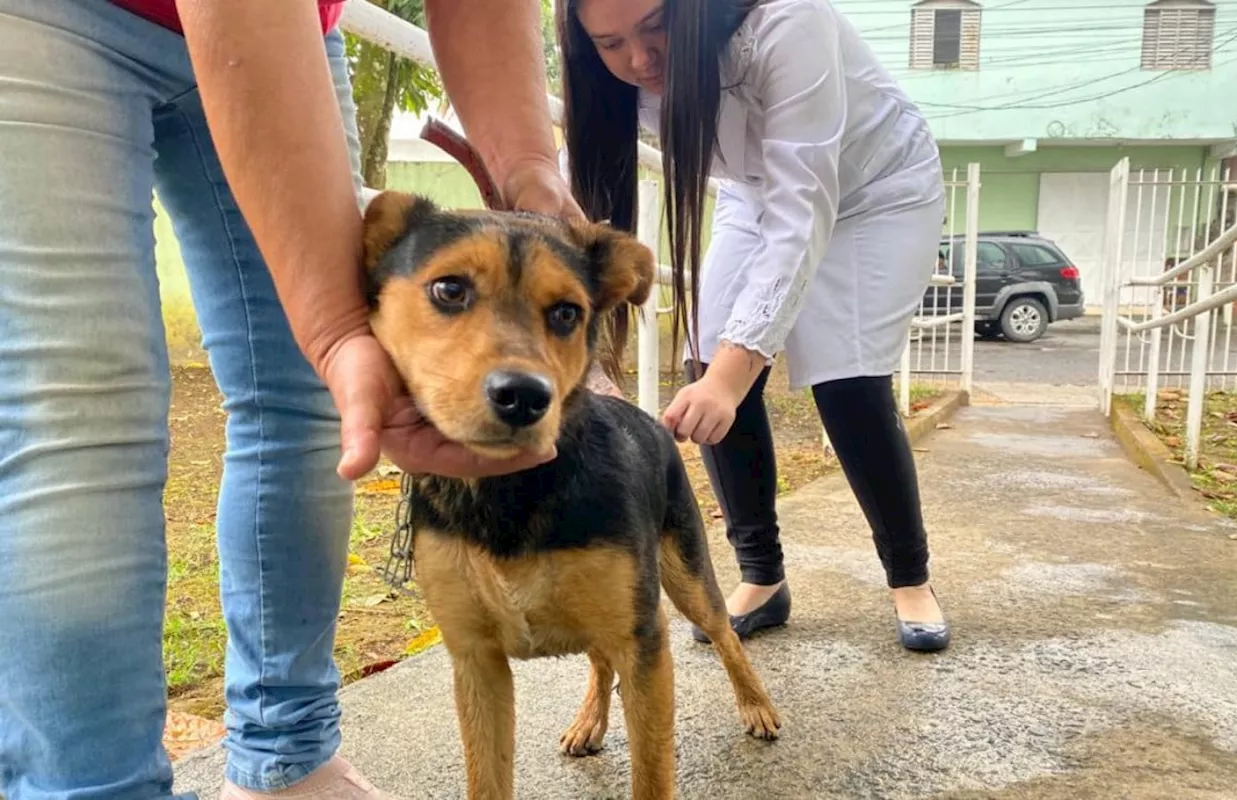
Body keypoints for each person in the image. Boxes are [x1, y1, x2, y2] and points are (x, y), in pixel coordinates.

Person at [0, 1, 583, 798]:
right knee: (80, 407)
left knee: (313, 404)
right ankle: (91, 786)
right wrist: (340, 328)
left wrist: (532, 173)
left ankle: (286, 754)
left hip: (295, 24)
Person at [556, 0, 952, 652]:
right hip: (755, 192)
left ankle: (910, 577)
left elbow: (803, 218)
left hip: (876, 190)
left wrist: (731, 377)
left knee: (845, 377)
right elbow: (569, 197)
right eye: (610, 42)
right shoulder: (617, 78)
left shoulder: (791, 25)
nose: (639, 59)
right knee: (704, 357)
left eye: (656, 27)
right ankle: (762, 576)